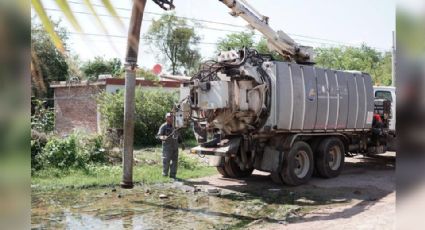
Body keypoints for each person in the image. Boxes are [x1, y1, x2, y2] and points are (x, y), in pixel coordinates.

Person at [156, 113, 184, 179]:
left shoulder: (176, 126)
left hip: (175, 146)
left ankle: (173, 175)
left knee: (175, 161)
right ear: (166, 118)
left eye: (172, 116)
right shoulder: (163, 126)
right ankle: (164, 174)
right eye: (169, 117)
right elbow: (158, 136)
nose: (171, 118)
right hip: (167, 147)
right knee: (166, 160)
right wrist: (162, 137)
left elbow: (178, 136)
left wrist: (182, 143)